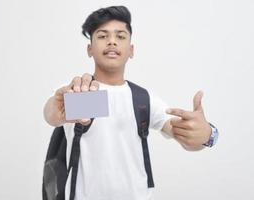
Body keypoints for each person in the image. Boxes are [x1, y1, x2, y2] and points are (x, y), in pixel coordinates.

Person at [43, 5, 218, 200]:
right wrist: (56, 109)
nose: (111, 41)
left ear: (131, 50)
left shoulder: (143, 98)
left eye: (120, 36)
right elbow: (52, 115)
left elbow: (187, 138)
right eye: (102, 36)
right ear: (89, 49)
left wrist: (207, 135)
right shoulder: (78, 92)